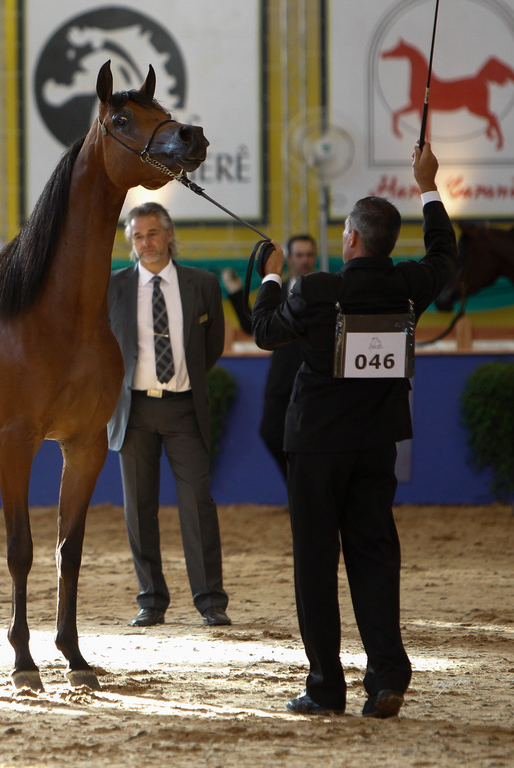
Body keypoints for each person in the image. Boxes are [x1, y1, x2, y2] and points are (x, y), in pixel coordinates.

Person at [250, 142, 456, 718]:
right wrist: (429, 185)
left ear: (352, 241)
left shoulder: (315, 291)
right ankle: (387, 677)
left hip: (316, 449)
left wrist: (268, 278)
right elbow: (445, 253)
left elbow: (264, 332)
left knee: (315, 562)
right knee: (374, 555)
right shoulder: (408, 285)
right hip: (376, 446)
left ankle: (325, 686)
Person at [107, 201, 231, 628]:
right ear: (131, 242)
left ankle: (210, 601)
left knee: (198, 503)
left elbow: (211, 345)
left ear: (169, 234)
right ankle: (151, 601)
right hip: (133, 409)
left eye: (153, 233)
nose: (147, 243)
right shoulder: (114, 288)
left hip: (184, 409)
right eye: (138, 236)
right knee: (138, 509)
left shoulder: (203, 284)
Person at [222, 235, 318, 482]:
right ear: (288, 259)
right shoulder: (277, 290)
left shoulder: (324, 290)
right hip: (282, 376)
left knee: (313, 438)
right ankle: (296, 485)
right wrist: (234, 291)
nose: (304, 260)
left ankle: (310, 490)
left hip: (315, 376)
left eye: (308, 255)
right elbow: (255, 326)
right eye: (299, 255)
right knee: (270, 431)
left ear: (315, 257)